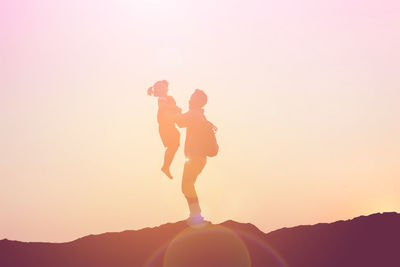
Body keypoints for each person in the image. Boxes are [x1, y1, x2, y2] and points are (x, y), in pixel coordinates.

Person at [176, 89, 210, 225]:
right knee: (187, 185)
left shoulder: (194, 114)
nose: (189, 100)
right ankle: (195, 215)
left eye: (192, 98)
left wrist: (173, 109)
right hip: (200, 157)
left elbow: (178, 121)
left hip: (194, 156)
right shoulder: (200, 115)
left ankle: (196, 216)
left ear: (198, 102)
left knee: (187, 185)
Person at [147, 80, 181, 179]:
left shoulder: (169, 98)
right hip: (165, 125)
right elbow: (162, 107)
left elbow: (173, 112)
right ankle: (165, 167)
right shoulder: (162, 99)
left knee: (175, 143)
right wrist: (175, 107)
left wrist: (178, 113)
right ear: (157, 91)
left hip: (169, 124)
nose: (162, 88)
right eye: (159, 87)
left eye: (163, 86)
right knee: (173, 144)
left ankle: (166, 166)